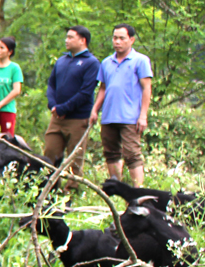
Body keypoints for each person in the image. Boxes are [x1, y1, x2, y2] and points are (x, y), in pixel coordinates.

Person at [90, 24, 153, 186]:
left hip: (130, 116)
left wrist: (143, 115)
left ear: (131, 40)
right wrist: (95, 110)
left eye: (122, 38)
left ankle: (138, 191)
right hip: (109, 115)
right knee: (110, 153)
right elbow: (103, 88)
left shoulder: (140, 60)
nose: (117, 42)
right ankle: (116, 187)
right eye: (115, 38)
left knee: (132, 154)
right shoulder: (106, 62)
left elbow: (147, 88)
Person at [44, 26, 98, 182]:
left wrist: (64, 108)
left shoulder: (91, 63)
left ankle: (69, 195)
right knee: (49, 154)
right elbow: (51, 84)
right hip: (57, 118)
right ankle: (48, 190)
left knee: (75, 159)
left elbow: (85, 92)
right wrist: (53, 105)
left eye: (70, 37)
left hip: (78, 118)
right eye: (66, 37)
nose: (66, 40)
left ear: (83, 40)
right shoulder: (61, 61)